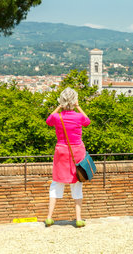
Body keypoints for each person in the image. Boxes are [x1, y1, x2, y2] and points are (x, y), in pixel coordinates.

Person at [44, 87, 90, 228]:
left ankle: (49, 217)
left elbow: (49, 120)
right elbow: (87, 121)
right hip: (77, 151)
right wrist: (78, 106)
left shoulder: (58, 117)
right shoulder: (78, 117)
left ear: (62, 100)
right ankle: (78, 218)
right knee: (77, 184)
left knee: (56, 183)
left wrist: (59, 106)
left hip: (62, 151)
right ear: (74, 100)